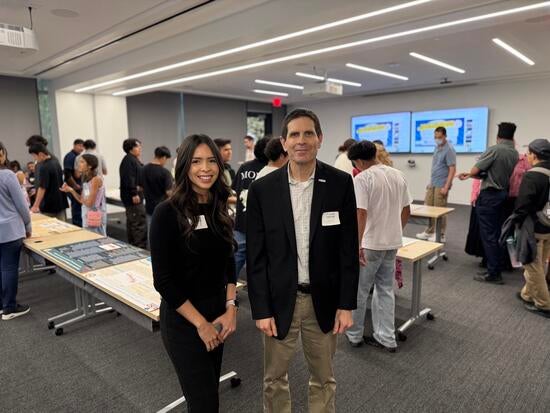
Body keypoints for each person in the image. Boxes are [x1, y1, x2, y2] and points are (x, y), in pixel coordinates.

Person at [247, 108, 359, 413]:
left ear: (320, 139)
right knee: (274, 378)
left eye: (308, 133)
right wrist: (260, 308)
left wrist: (346, 304)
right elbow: (256, 257)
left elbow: (348, 250)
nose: (301, 140)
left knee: (323, 379)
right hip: (278, 299)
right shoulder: (262, 189)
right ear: (283, 142)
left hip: (322, 300)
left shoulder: (339, 183)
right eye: (294, 134)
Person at [150, 134, 237, 412]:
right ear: (184, 166)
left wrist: (231, 307)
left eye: (212, 160)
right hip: (185, 322)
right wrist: (201, 324)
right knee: (204, 404)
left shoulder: (218, 207)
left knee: (209, 394)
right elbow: (163, 281)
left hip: (218, 315)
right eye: (197, 161)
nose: (205, 168)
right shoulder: (167, 212)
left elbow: (228, 262)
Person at [345, 141, 412, 352]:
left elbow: (361, 213)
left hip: (370, 244)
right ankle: (386, 337)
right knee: (385, 290)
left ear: (358, 161)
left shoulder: (362, 178)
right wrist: (395, 231)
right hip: (392, 242)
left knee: (359, 290)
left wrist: (356, 244)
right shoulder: (397, 174)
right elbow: (407, 209)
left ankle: (354, 335)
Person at [458, 122, 519, 284]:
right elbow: (491, 173)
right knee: (498, 233)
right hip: (503, 195)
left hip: (489, 196)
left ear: (498, 137)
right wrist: (473, 175)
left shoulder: (494, 149)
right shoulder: (514, 153)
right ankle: (497, 267)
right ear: (512, 136)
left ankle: (494, 273)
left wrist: (470, 174)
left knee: (488, 235)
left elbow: (476, 170)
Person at [513, 139, 550, 318]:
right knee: (540, 263)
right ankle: (527, 294)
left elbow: (522, 206)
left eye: (528, 153)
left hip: (533, 226)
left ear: (534, 155)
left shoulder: (533, 175)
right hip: (548, 226)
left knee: (532, 263)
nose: (526, 156)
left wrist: (516, 222)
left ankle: (544, 304)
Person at [0, 142, 32, 320]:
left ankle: (1, 304)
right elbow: (22, 205)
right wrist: (28, 226)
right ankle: (10, 307)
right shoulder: (7, 175)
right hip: (10, 230)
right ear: (2, 154)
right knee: (9, 268)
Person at [231, 137, 270, 279]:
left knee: (237, 258)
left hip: (241, 221)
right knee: (259, 261)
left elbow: (236, 189)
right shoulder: (271, 171)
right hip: (261, 224)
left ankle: (227, 291)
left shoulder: (244, 167)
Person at [416, 127, 456, 242]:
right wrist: (430, 182)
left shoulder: (449, 149)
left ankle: (441, 234)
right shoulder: (437, 147)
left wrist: (446, 186)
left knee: (439, 210)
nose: (437, 139)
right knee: (429, 208)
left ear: (445, 136)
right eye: (435, 137)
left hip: (442, 184)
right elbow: (436, 167)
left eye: (439, 137)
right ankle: (429, 231)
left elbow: (452, 169)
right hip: (433, 182)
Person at [61, 154, 107, 236]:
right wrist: (71, 190)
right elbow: (82, 200)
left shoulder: (96, 179)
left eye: (82, 162)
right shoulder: (85, 178)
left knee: (98, 241)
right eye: (79, 162)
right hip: (87, 215)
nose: (79, 164)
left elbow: (89, 203)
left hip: (95, 216)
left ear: (90, 166)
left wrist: (83, 200)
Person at [142, 146, 174, 244]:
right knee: (164, 233)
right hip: (162, 207)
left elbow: (141, 187)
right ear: (164, 157)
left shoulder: (143, 169)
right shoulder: (165, 173)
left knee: (151, 231)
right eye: (166, 160)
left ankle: (152, 253)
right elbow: (169, 192)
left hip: (149, 206)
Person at [28, 144, 68, 220]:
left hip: (49, 204)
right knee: (62, 227)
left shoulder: (44, 167)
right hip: (60, 201)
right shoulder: (56, 162)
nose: (35, 159)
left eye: (34, 156)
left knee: (49, 228)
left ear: (40, 154)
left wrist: (36, 205)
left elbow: (42, 187)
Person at [119, 138, 146, 249]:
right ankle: (139, 247)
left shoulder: (132, 159)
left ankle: (134, 245)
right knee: (137, 222)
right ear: (131, 148)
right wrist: (134, 193)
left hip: (134, 195)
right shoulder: (129, 161)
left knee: (133, 221)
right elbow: (129, 178)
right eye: (138, 146)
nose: (140, 148)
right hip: (133, 197)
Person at [63, 139, 85, 227]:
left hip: (77, 185)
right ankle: (78, 226)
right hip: (73, 185)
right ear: (74, 145)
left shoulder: (78, 156)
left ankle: (80, 225)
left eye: (83, 146)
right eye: (80, 146)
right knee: (77, 207)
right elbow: (67, 173)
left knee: (79, 206)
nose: (81, 148)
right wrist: (75, 185)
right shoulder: (71, 156)